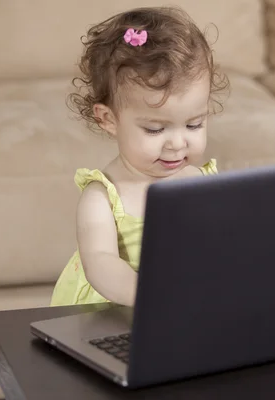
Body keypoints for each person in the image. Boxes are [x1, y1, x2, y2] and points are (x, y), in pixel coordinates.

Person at [50, 6, 229, 307]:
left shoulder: (205, 184)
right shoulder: (104, 197)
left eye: (194, 124)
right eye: (156, 129)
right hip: (110, 315)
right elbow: (100, 263)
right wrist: (154, 297)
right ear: (108, 119)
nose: (177, 143)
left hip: (185, 310)